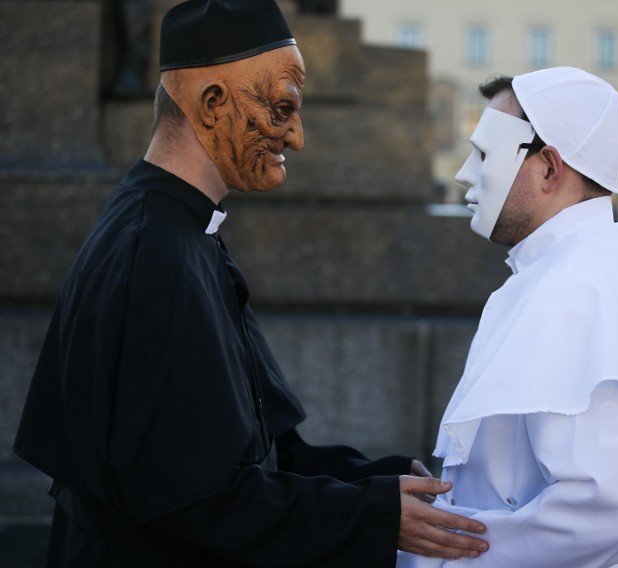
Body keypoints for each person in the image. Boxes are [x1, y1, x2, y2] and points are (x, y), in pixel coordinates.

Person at [13, 1, 488, 565]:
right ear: (213, 105)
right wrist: (372, 513)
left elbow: (253, 454)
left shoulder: (177, 229)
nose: (298, 137)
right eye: (283, 108)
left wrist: (378, 484)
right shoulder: (156, 253)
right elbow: (187, 501)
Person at [397, 68, 618, 567]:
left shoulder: (578, 284)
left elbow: (600, 513)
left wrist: (444, 556)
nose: (466, 172)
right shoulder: (587, 264)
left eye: (485, 153)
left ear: (550, 169)